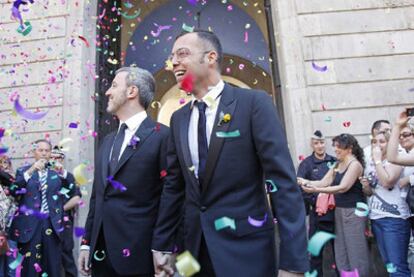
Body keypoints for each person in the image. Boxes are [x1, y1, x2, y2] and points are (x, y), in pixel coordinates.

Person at [152, 30, 308, 277]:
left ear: (211, 57)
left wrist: (293, 263)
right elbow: (174, 187)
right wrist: (162, 245)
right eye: (172, 57)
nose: (174, 63)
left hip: (247, 252)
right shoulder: (178, 119)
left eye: (182, 54)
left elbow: (283, 184)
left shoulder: (253, 104)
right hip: (193, 256)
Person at [78, 66, 169, 277]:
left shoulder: (162, 137)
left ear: (132, 91)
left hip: (140, 256)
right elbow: (98, 196)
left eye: (114, 85)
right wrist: (85, 243)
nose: (108, 92)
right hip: (101, 256)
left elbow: (170, 198)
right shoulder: (107, 141)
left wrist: (163, 248)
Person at [298, 134, 370, 277]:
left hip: (353, 212)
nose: (335, 149)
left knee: (356, 252)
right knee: (341, 253)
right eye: (335, 146)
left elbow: (343, 187)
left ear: (349, 148)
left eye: (339, 146)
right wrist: (303, 181)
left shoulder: (355, 165)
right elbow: (324, 182)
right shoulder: (337, 164)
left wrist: (316, 190)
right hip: (338, 212)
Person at [9, 139, 77, 277]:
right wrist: (32, 169)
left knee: (52, 267)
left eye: (47, 150)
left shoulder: (56, 173)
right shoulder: (23, 171)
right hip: (30, 226)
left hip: (52, 225)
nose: (44, 153)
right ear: (34, 152)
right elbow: (14, 190)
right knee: (29, 268)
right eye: (41, 150)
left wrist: (63, 172)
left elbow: (72, 190)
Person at [361, 132, 411, 276]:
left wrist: (377, 161)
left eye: (382, 141)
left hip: (394, 219)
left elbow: (387, 181)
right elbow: (371, 192)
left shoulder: (396, 160)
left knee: (398, 267)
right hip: (377, 217)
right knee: (390, 266)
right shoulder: (371, 164)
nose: (377, 145)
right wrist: (366, 186)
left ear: (390, 144)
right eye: (374, 142)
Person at [297, 130, 336, 276]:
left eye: (322, 142)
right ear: (312, 145)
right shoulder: (306, 164)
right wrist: (315, 201)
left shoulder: (334, 161)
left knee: (338, 251)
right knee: (315, 252)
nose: (320, 146)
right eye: (316, 143)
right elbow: (300, 187)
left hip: (334, 213)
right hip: (316, 215)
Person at [50, 146, 82, 277]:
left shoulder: (68, 176)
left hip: (64, 221)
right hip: (47, 222)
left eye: (56, 158)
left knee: (66, 253)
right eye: (51, 158)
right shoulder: (43, 176)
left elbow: (76, 198)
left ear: (62, 159)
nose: (53, 161)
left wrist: (59, 210)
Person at [0, 155, 17, 277]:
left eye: (6, 162)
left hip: (12, 231)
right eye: (0, 163)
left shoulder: (15, 183)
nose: (3, 165)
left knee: (12, 267)